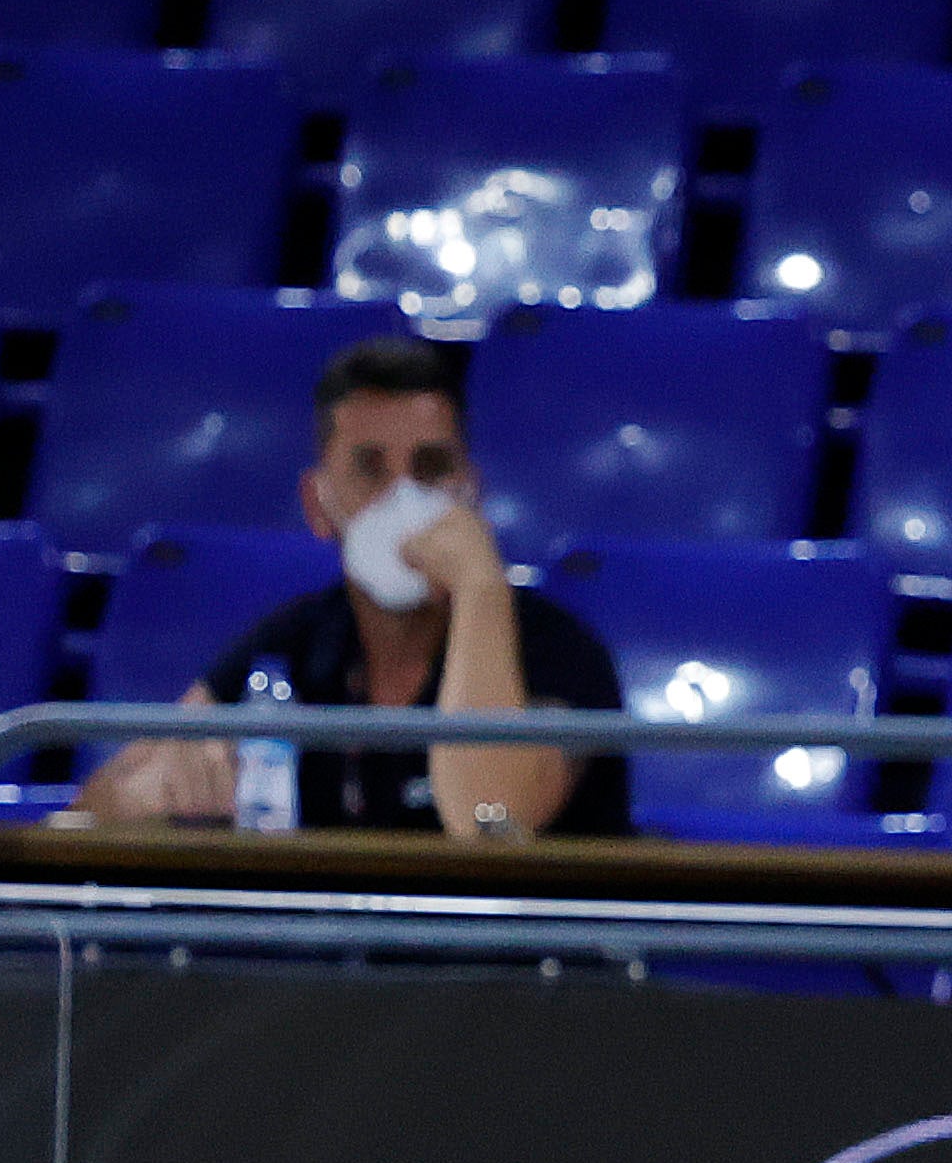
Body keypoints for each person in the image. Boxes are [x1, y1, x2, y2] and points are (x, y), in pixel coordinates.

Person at [69, 335, 629, 839]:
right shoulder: (292, 642)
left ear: (470, 493)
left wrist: (481, 590)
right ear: (318, 506)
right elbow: (89, 808)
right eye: (371, 469)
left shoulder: (560, 651)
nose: (405, 500)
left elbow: (491, 818)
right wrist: (152, 791)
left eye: (431, 468)